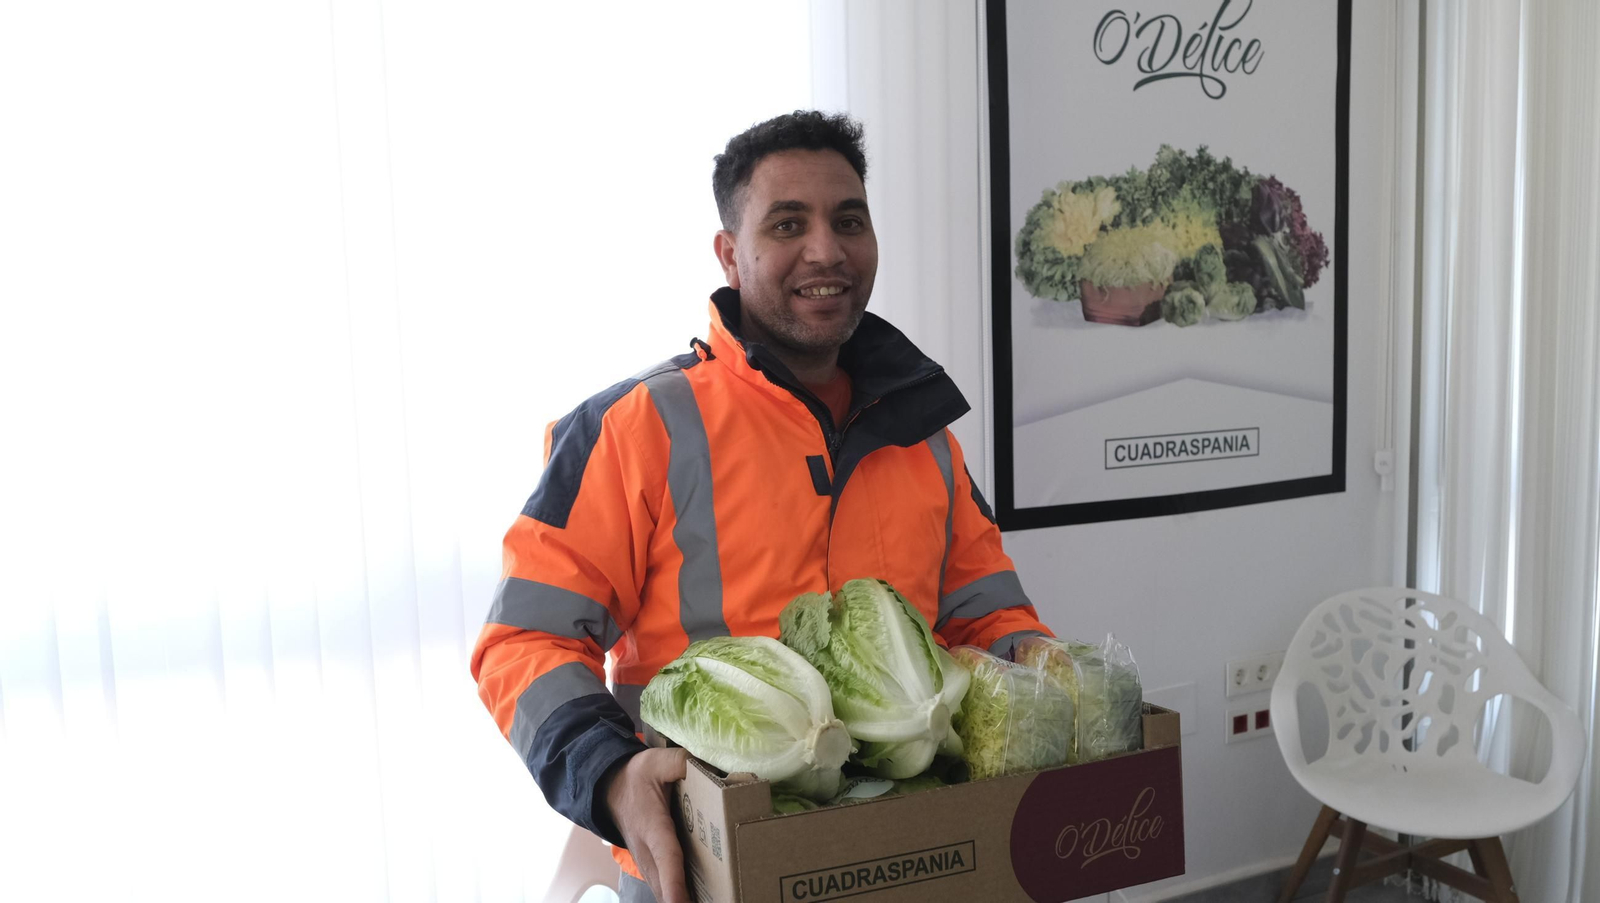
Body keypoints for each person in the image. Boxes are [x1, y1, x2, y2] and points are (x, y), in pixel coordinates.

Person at [470, 110, 1053, 903]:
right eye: (788, 223)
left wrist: (1058, 686)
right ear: (730, 254)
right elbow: (524, 640)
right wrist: (610, 773)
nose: (826, 249)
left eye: (849, 220)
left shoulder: (923, 436)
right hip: (710, 867)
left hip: (906, 853)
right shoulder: (635, 428)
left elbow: (990, 618)